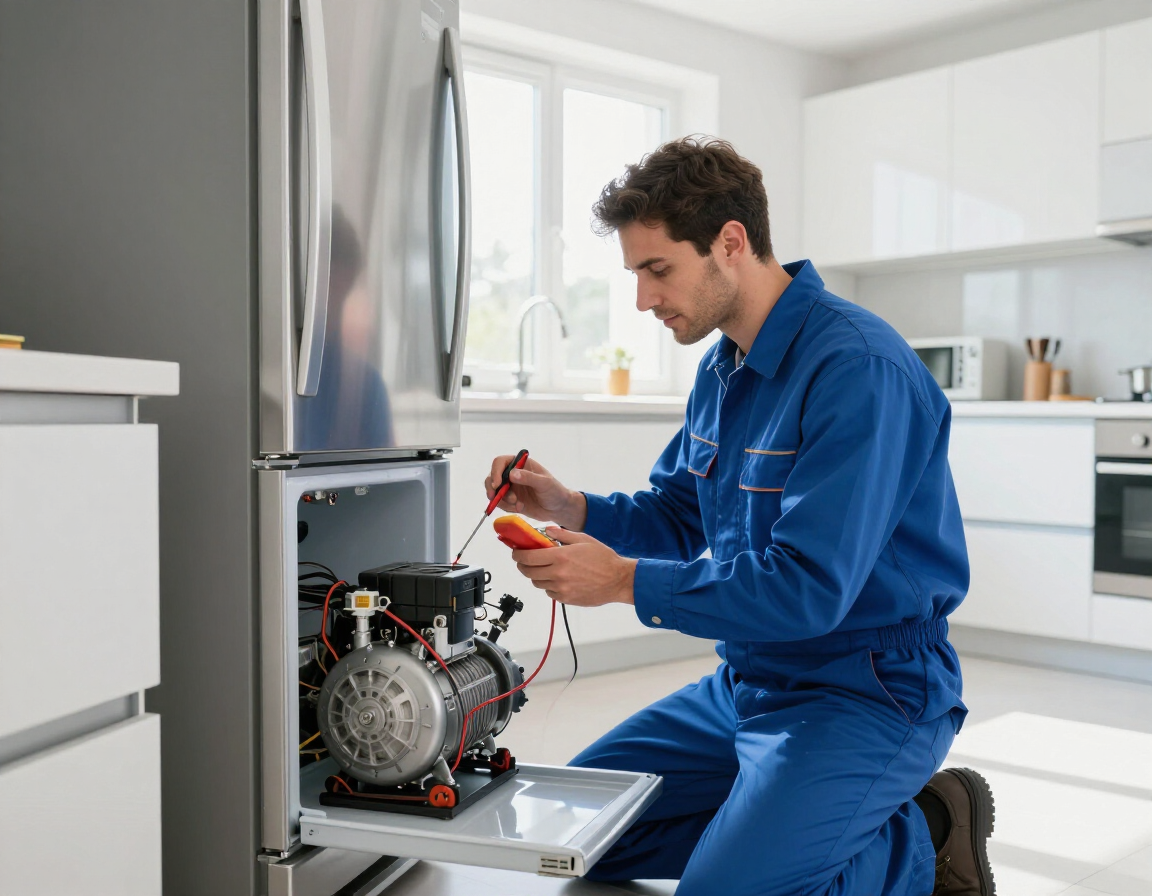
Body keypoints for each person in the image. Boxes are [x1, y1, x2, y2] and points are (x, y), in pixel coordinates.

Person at [484, 137, 994, 896]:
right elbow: (685, 513)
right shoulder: (722, 368)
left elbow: (808, 589)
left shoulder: (858, 368)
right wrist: (574, 508)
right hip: (750, 680)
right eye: (636, 274)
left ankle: (924, 836)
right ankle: (781, 824)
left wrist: (624, 581)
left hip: (867, 690)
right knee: (573, 830)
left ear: (731, 243)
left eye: (657, 270)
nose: (643, 299)